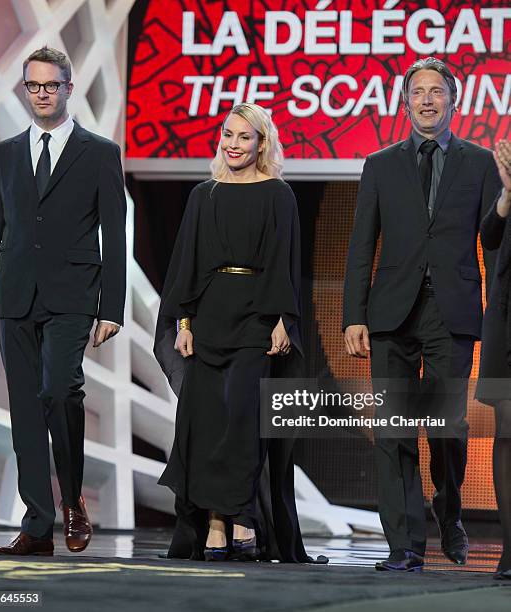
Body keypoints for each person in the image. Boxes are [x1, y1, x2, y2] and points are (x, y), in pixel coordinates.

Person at [342, 57, 501, 572]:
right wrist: (353, 315)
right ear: (405, 101)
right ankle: (404, 546)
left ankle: (449, 507)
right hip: (390, 313)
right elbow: (361, 245)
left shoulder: (479, 163)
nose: (427, 99)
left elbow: (495, 241)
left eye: (436, 91)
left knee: (447, 428)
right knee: (394, 430)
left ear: (453, 101)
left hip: (450, 313)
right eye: (418, 91)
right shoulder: (380, 164)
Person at [0, 47, 126, 556]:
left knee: (59, 391)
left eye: (50, 85)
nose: (41, 94)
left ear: (68, 88)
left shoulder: (100, 152)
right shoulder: (7, 153)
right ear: (26, 90)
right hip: (15, 295)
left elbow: (115, 232)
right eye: (33, 86)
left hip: (73, 297)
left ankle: (73, 499)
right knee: (24, 412)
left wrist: (112, 306)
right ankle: (37, 526)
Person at [154, 102, 310, 562]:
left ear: (262, 144)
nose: (234, 144)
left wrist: (284, 318)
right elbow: (186, 263)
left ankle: (240, 515)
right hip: (207, 318)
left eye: (245, 137)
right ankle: (219, 524)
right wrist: (183, 323)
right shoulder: (204, 194)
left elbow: (286, 261)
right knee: (205, 424)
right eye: (228, 134)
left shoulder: (278, 194)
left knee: (241, 422)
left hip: (257, 318)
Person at [476, 139, 511, 580]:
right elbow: (489, 236)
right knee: (507, 428)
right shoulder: (507, 180)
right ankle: (510, 548)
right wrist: (506, 196)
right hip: (507, 320)